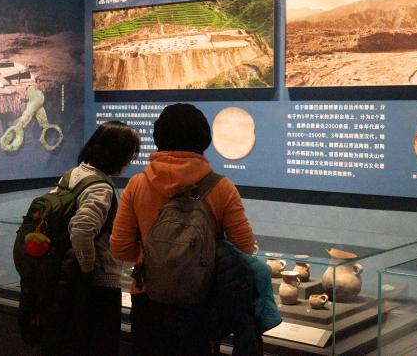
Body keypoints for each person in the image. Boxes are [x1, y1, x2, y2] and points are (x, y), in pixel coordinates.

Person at [110, 103, 256, 356]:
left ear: (158, 137)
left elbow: (120, 248)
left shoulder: (137, 185)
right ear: (204, 139)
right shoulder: (222, 188)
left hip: (147, 296)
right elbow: (245, 247)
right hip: (201, 299)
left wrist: (154, 257)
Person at [41, 120, 140, 356]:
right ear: (117, 155)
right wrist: (87, 267)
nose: (130, 161)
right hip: (96, 286)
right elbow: (81, 229)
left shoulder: (73, 174)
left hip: (67, 278)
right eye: (129, 155)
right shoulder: (100, 187)